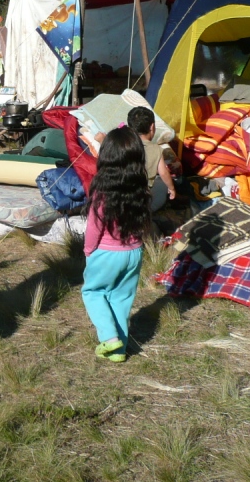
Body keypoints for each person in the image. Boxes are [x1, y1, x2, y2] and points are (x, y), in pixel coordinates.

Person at [81, 126, 151, 363]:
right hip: (134, 251)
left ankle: (109, 338)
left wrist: (88, 251)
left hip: (106, 252)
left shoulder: (102, 190)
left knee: (93, 292)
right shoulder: (141, 187)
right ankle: (118, 352)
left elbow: (94, 226)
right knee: (121, 299)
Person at [126, 106, 178, 212]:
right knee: (163, 185)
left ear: (130, 128)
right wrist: (172, 188)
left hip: (123, 196)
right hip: (141, 200)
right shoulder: (156, 149)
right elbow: (164, 173)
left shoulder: (124, 145)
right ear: (152, 127)